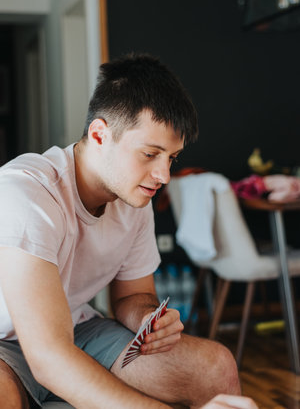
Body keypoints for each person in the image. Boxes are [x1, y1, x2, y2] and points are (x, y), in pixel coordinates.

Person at [0, 54, 257, 409]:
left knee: (213, 366)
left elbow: (131, 296)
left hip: (77, 329)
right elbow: (48, 356)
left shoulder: (133, 198)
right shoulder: (26, 194)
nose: (163, 175)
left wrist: (150, 319)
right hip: (6, 344)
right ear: (100, 134)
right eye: (150, 154)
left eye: (171, 158)